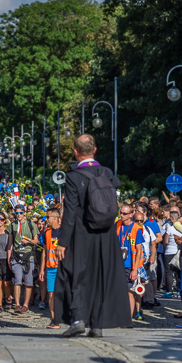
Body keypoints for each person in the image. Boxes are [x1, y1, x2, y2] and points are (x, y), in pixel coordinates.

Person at [55, 134, 131, 338]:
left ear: (75, 151)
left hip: (81, 233)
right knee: (101, 276)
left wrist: (62, 242)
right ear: (95, 150)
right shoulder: (105, 172)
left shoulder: (73, 176)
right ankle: (97, 323)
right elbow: (116, 186)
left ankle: (78, 319)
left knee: (76, 274)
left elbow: (70, 211)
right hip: (106, 233)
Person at [117, 205, 145, 320]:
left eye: (124, 213)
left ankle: (128, 319)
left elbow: (139, 250)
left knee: (130, 292)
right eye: (121, 213)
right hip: (118, 264)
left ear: (130, 215)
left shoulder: (136, 229)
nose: (121, 215)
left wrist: (135, 269)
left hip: (130, 265)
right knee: (119, 291)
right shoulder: (117, 225)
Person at [8, 204, 38, 313]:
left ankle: (25, 304)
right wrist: (9, 258)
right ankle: (17, 304)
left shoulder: (31, 224)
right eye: (16, 213)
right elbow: (10, 243)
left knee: (28, 282)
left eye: (20, 213)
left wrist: (29, 241)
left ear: (24, 213)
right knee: (17, 280)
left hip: (28, 256)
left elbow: (36, 241)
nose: (18, 215)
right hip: (16, 256)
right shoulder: (12, 225)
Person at [39, 208, 61, 328]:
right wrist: (42, 270)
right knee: (51, 294)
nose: (45, 220)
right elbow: (44, 252)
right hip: (50, 268)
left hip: (62, 268)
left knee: (62, 294)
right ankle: (54, 320)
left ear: (55, 217)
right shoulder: (47, 233)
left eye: (47, 217)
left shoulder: (64, 232)